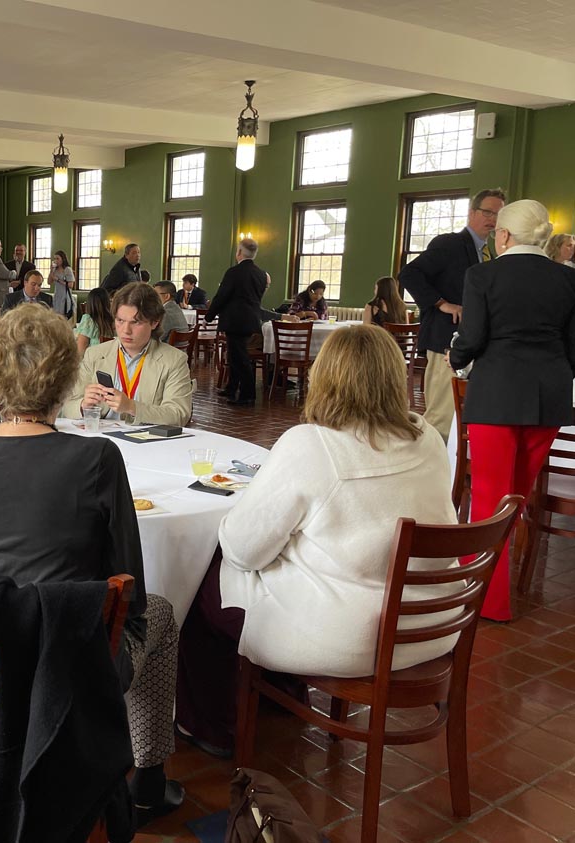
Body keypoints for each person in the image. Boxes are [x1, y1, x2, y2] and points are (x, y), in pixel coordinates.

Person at [0, 304, 185, 826]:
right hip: (73, 664)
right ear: (65, 376)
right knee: (161, 614)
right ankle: (148, 778)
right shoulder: (97, 458)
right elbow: (129, 585)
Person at [175, 325, 459, 756]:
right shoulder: (427, 438)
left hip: (354, 638)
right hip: (432, 626)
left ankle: (214, 726)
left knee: (204, 580)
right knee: (289, 562)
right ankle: (281, 694)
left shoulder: (313, 445)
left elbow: (242, 549)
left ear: (324, 376)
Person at [449, 199, 575, 622]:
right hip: (550, 396)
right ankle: (483, 578)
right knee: (516, 494)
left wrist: (455, 357)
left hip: (497, 394)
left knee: (489, 495)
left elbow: (471, 338)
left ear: (503, 235)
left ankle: (487, 600)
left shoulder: (483, 275)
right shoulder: (567, 278)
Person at [399, 188, 506, 442]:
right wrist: (441, 303)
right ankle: (430, 463)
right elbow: (409, 274)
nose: (492, 219)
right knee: (441, 416)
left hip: (473, 343)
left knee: (462, 414)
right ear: (472, 212)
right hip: (445, 340)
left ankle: (452, 463)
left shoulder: (490, 253)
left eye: (498, 215)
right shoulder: (450, 244)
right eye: (487, 212)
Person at [63, 282, 192, 426]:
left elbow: (178, 414)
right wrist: (83, 405)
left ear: (155, 322)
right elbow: (67, 405)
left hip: (147, 437)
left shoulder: (174, 360)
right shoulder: (95, 354)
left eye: (136, 322)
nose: (125, 330)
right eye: (120, 320)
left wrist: (132, 407)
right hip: (100, 434)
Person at [205, 238, 269, 407]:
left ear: (239, 252)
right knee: (235, 355)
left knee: (240, 358)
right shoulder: (261, 274)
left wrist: (208, 317)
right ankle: (231, 387)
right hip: (251, 320)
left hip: (235, 321)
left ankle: (248, 395)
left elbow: (221, 296)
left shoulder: (234, 272)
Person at [74, 287, 116, 355]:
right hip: (109, 358)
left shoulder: (88, 320)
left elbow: (81, 350)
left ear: (90, 303)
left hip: (93, 358)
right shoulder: (113, 319)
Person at [48, 249, 76, 318]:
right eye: (54, 259)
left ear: (62, 259)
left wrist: (58, 280)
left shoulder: (67, 269)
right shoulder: (55, 270)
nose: (56, 260)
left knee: (63, 317)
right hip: (57, 295)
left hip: (65, 296)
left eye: (57, 258)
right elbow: (49, 282)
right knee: (55, 317)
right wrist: (51, 270)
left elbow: (71, 285)